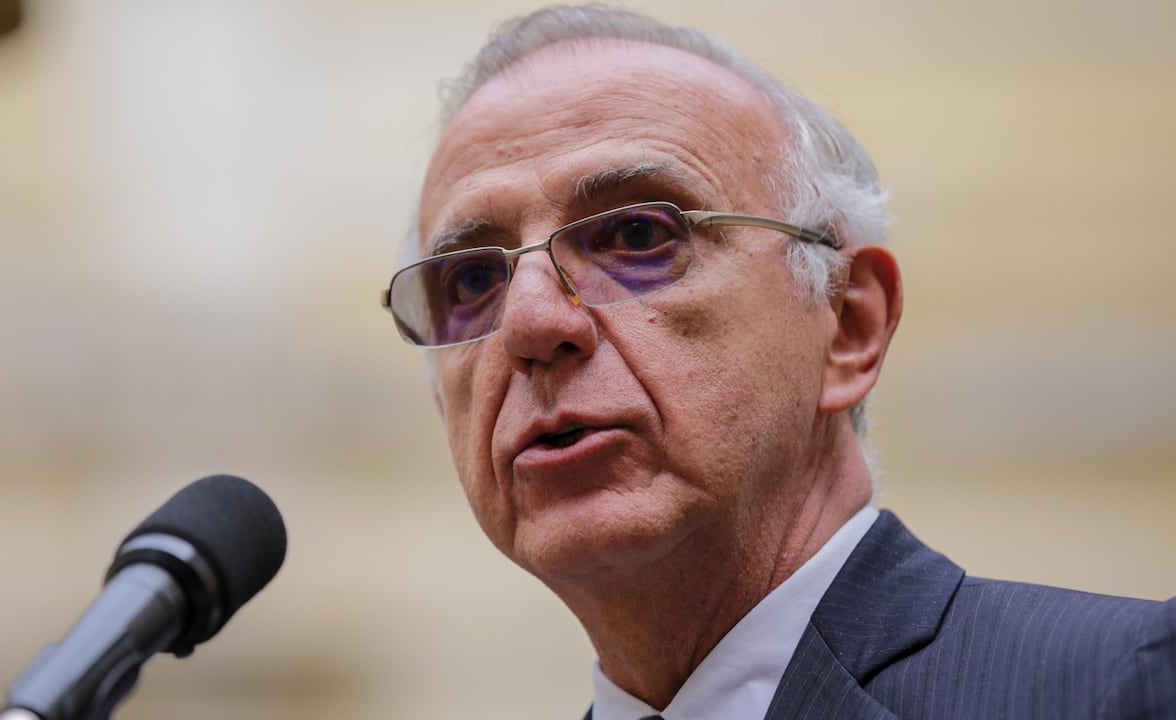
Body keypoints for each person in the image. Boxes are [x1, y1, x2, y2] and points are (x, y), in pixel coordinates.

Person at [379, 5, 1176, 718]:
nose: (529, 323)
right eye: (471, 280)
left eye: (637, 235)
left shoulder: (1128, 686)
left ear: (848, 324)